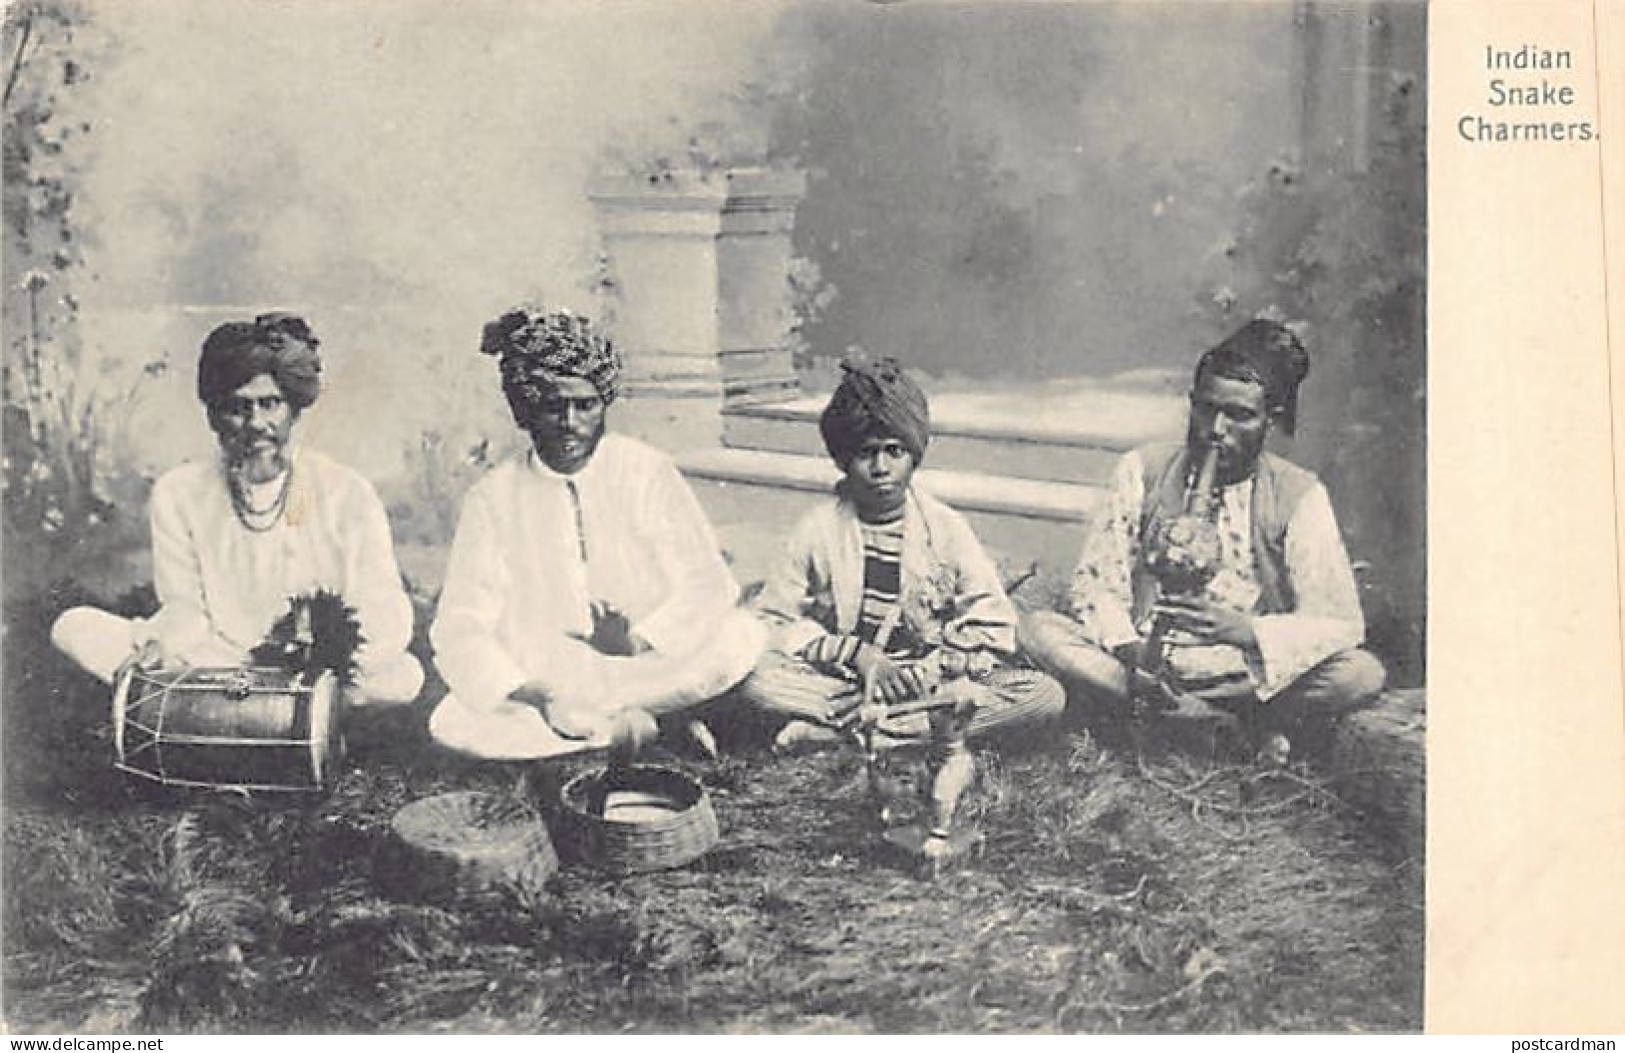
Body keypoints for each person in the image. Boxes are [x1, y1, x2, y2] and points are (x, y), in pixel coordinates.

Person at [1022, 319, 1385, 762]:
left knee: (1360, 673)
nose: (1216, 429)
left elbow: (1339, 620)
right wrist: (1131, 651)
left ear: (1269, 420)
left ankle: (1183, 721)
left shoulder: (1299, 493)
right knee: (1038, 631)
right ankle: (1215, 726)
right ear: (1191, 404)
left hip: (1243, 671)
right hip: (1147, 665)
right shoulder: (1142, 469)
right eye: (1206, 408)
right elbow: (1097, 584)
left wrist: (1246, 631)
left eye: (1239, 415)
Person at [426, 306, 764, 759]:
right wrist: (537, 693)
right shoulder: (492, 497)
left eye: (584, 405)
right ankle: (652, 723)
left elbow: (707, 581)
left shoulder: (645, 470)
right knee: (458, 721)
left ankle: (629, 721)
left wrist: (637, 639)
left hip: (650, 662)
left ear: (603, 404)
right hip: (552, 677)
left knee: (736, 639)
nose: (570, 423)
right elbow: (461, 627)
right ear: (526, 410)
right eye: (553, 406)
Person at [50, 313, 423, 703]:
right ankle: (265, 703)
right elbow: (185, 607)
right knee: (75, 627)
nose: (256, 423)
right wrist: (162, 645)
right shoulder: (178, 493)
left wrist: (325, 653)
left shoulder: (346, 492)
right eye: (238, 407)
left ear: (294, 410)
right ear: (213, 416)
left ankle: (241, 701)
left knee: (402, 677)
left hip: (312, 664)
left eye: (270, 404)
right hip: (215, 657)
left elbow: (381, 606)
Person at [740, 358, 1065, 748]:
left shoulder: (945, 527)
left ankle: (854, 732)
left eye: (894, 451)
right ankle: (897, 728)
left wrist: (931, 669)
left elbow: (993, 623)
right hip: (841, 680)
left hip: (925, 683)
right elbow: (770, 619)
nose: (881, 468)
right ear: (845, 460)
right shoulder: (816, 528)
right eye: (866, 453)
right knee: (752, 679)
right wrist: (855, 654)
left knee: (1042, 694)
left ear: (914, 454)